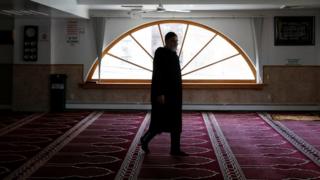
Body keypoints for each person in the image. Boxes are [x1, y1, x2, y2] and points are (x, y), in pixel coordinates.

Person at [140, 32, 188, 156]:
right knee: (159, 122)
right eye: (173, 41)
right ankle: (145, 140)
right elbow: (158, 74)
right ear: (166, 41)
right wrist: (160, 93)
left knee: (176, 123)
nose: (175, 43)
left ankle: (175, 149)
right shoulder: (160, 53)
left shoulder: (174, 55)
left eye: (176, 41)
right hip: (163, 95)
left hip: (175, 96)